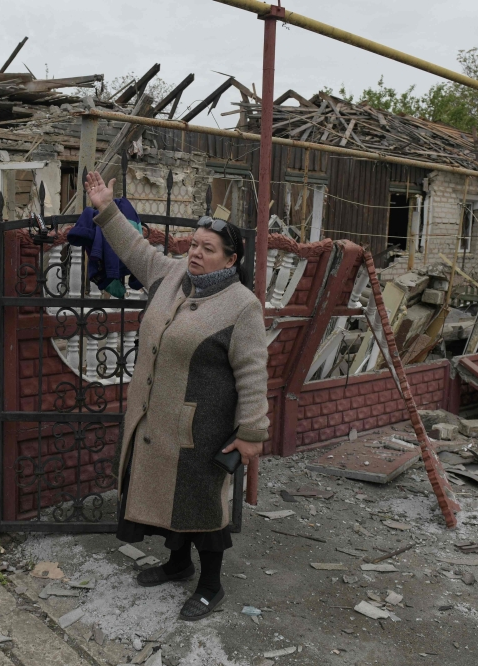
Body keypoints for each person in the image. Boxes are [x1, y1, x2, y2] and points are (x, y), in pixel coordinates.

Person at [83, 171, 270, 621]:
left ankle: (211, 586)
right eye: (193, 245)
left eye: (208, 249)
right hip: (157, 418)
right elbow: (133, 249)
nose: (196, 254)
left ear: (230, 258)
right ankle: (178, 564)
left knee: (201, 505)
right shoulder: (170, 274)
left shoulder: (242, 305)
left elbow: (252, 372)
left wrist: (251, 432)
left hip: (202, 426)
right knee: (169, 499)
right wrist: (105, 207)